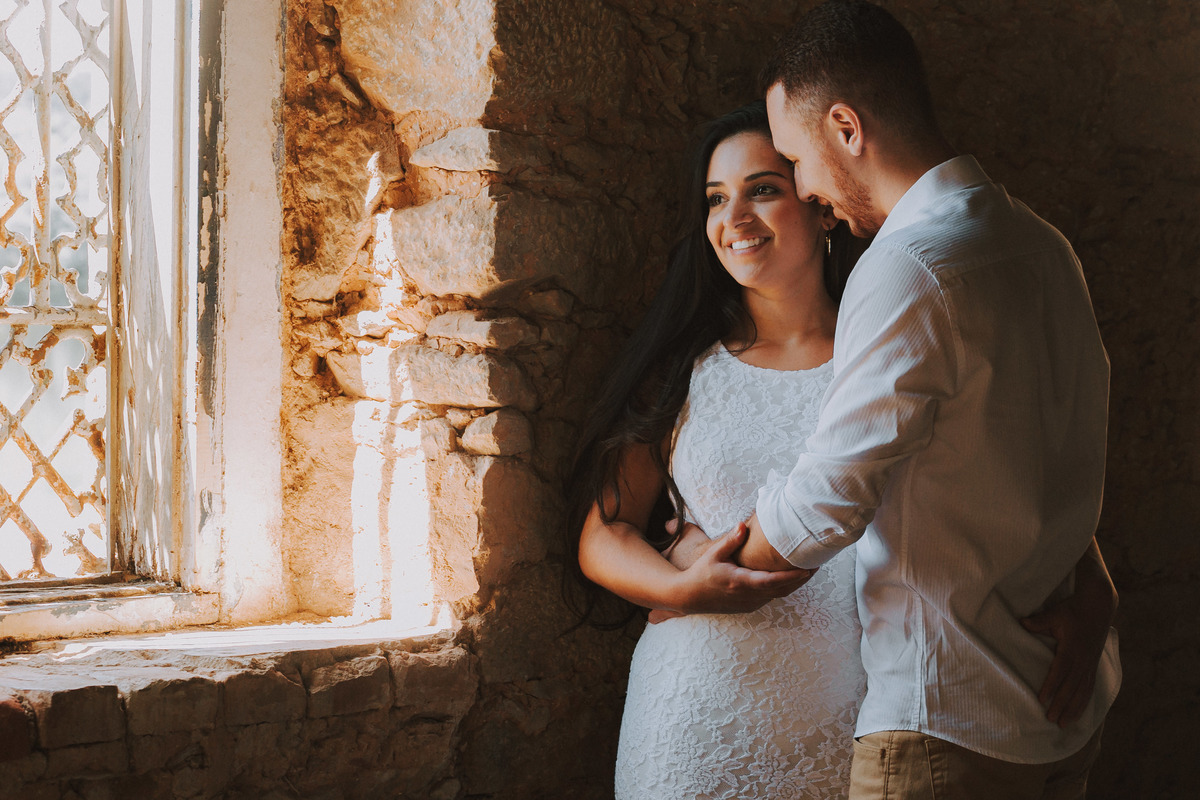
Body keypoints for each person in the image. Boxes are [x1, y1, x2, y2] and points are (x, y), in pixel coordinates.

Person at [700, 2, 1120, 797]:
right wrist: (1098, 584)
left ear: (848, 128)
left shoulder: (908, 267)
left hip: (947, 724)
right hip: (1062, 713)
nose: (807, 188)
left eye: (798, 158)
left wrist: (697, 574)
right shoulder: (1042, 243)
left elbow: (826, 506)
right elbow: (1059, 457)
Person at [566, 101, 868, 798]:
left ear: (822, 207)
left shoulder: (881, 361)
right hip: (691, 723)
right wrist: (678, 586)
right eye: (715, 199)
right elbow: (602, 530)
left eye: (762, 189)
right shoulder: (684, 368)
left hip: (844, 722)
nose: (733, 220)